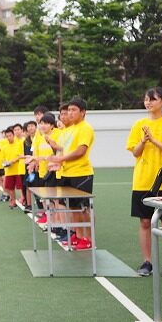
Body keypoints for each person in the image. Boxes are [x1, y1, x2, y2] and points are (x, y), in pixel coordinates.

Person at [126, 88, 162, 277]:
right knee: (145, 222)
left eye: (153, 99)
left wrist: (153, 139)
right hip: (142, 180)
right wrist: (144, 140)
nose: (148, 102)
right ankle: (147, 261)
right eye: (146, 99)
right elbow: (135, 151)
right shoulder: (139, 124)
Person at [49, 97, 95, 251]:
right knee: (73, 208)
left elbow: (80, 151)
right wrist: (57, 161)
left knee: (82, 209)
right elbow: (64, 150)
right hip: (67, 173)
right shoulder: (69, 130)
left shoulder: (85, 128)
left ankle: (88, 238)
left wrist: (60, 158)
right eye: (68, 110)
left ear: (83, 112)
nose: (69, 113)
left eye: (73, 110)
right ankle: (78, 234)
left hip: (81, 173)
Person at [1, 128, 25, 209]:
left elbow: (20, 156)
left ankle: (23, 199)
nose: (8, 137)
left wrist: (12, 161)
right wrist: (6, 163)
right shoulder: (4, 147)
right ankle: (13, 201)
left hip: (18, 170)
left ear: (13, 135)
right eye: (7, 136)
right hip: (9, 171)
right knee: (10, 188)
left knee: (21, 187)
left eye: (10, 135)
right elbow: (3, 159)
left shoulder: (19, 143)